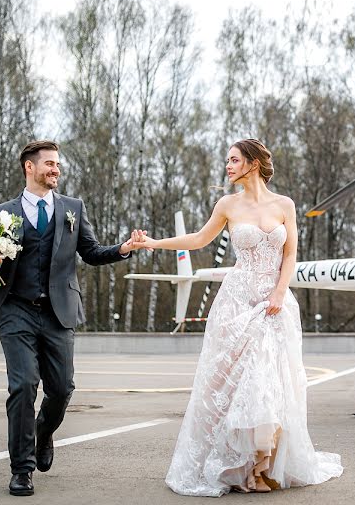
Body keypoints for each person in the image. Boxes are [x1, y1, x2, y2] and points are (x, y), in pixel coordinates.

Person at [130, 138, 342, 496]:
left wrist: (278, 291)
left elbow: (290, 256)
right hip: (237, 301)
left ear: (253, 163)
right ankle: (246, 464)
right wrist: (152, 243)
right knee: (241, 384)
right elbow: (198, 240)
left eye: (233, 160)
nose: (227, 167)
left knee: (272, 381)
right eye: (227, 161)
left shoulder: (285, 205)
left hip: (274, 302)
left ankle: (264, 463)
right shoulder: (227, 204)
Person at [0, 140, 139, 497]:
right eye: (49, 164)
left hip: (58, 312)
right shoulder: (2, 213)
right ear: (29, 168)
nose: (56, 170)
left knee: (62, 389)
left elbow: (92, 253)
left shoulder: (73, 209)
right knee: (22, 386)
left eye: (58, 165)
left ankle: (44, 432)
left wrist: (123, 249)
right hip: (15, 310)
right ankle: (22, 469)